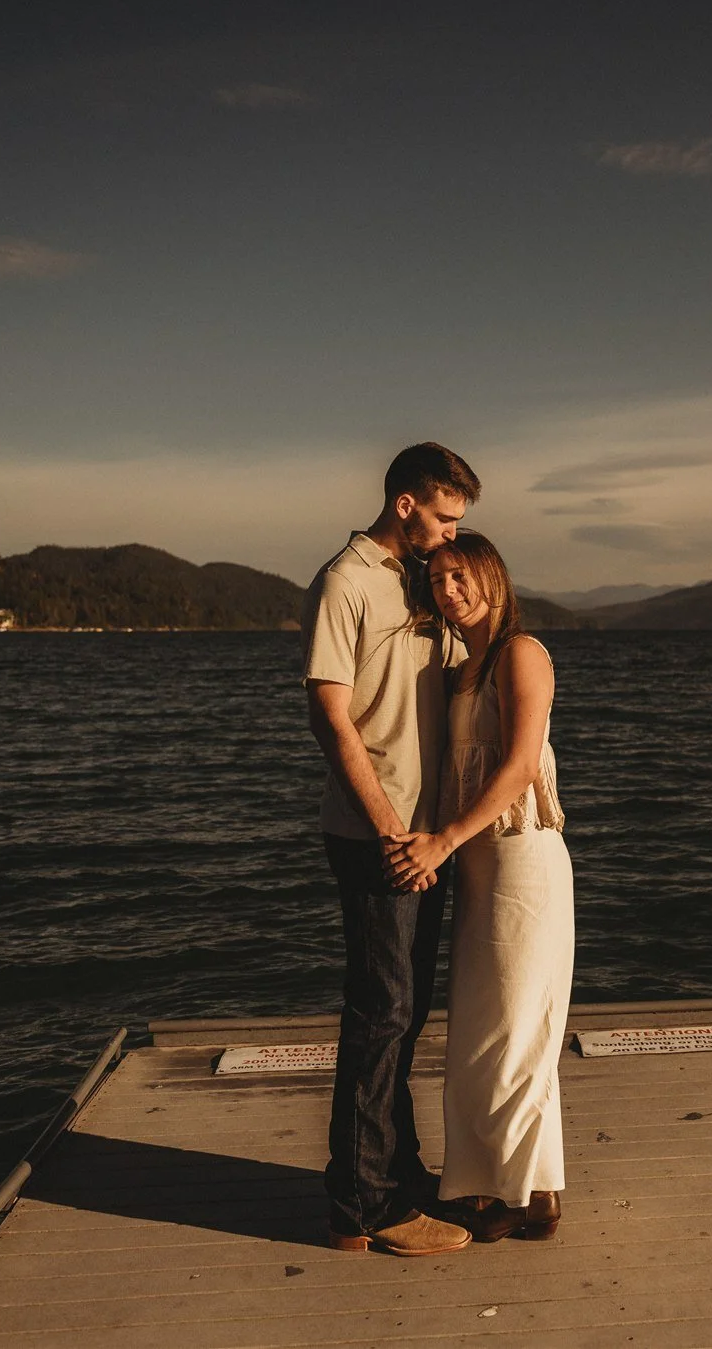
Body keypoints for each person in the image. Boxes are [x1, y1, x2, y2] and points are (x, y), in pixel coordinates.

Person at [304, 442, 481, 1256]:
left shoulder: (418, 583)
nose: (452, 534)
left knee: (401, 1021)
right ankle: (363, 1207)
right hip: (381, 839)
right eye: (445, 516)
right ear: (406, 503)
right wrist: (391, 833)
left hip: (426, 838)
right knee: (382, 1016)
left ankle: (393, 1174)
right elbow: (331, 719)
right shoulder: (345, 582)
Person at [386, 531, 574, 1242]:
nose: (447, 589)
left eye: (458, 575)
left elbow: (521, 765)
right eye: (435, 580)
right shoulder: (460, 669)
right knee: (479, 1032)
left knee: (518, 1027)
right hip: (478, 866)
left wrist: (443, 838)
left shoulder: (520, 654)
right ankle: (518, 1187)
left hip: (523, 859)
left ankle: (520, 1194)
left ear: (492, 575)